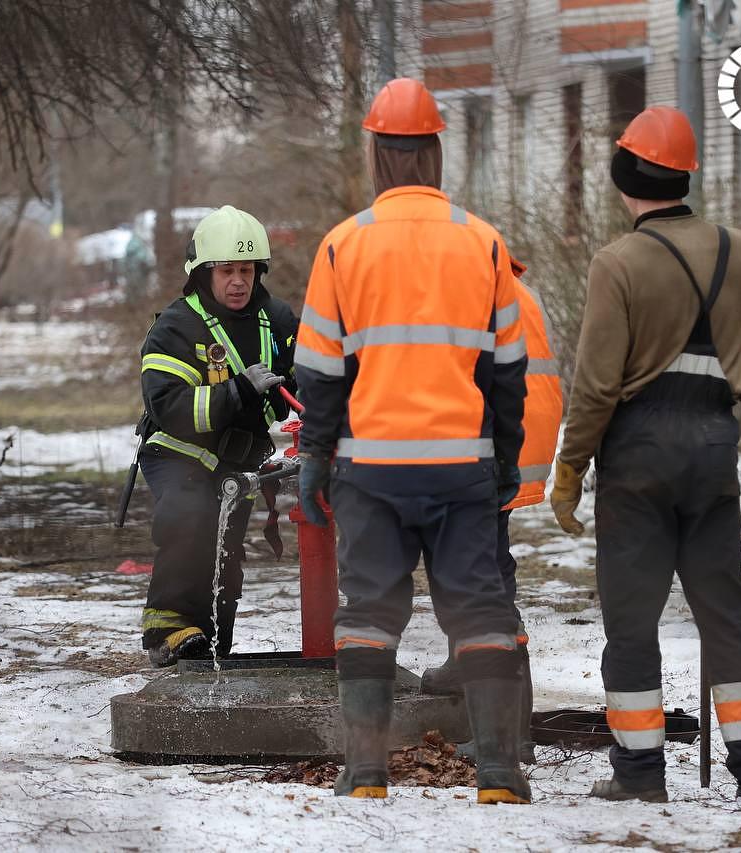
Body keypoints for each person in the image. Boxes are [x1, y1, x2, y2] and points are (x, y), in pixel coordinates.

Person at [294, 78, 529, 803]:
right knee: (480, 611)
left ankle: (365, 772)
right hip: (462, 466)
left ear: (376, 153)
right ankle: (499, 774)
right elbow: (509, 374)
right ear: (433, 153)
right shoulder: (483, 242)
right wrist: (506, 461)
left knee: (367, 614)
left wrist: (316, 457)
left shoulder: (343, 246)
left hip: (372, 469)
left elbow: (321, 376)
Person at [549, 106, 741, 807]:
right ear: (685, 175)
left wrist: (569, 470)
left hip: (640, 453)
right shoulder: (740, 249)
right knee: (727, 612)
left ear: (625, 176)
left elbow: (595, 384)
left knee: (631, 617)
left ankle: (641, 775)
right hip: (714, 445)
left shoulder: (617, 262)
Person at [137, 205, 298, 667]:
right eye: (226, 270)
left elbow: (305, 381)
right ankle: (166, 632)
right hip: (180, 455)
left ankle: (208, 651)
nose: (238, 281)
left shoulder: (278, 321)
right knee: (190, 519)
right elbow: (168, 408)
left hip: (238, 462)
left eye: (246, 270)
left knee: (225, 556)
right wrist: (237, 390)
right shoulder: (176, 327)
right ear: (203, 273)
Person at [419, 257, 564, 766]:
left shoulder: (473, 287)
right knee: (472, 570)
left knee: (480, 582)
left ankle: (504, 734)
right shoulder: (514, 286)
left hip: (490, 449)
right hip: (513, 442)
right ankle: (468, 665)